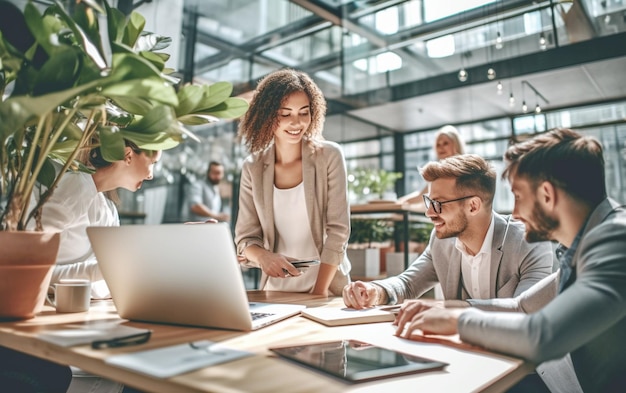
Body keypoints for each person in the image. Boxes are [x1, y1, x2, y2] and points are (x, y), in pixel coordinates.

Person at [396, 129, 626, 393]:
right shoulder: (589, 243)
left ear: (547, 195)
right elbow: (521, 308)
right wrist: (447, 311)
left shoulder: (615, 240)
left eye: (518, 196)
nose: (514, 212)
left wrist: (457, 322)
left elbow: (542, 335)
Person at [1, 139, 160, 393]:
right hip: (49, 337)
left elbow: (103, 280)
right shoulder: (73, 187)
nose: (152, 174)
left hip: (87, 325)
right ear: (128, 155)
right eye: (152, 163)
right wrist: (108, 268)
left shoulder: (106, 205)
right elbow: (25, 272)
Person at [343, 154, 554, 309]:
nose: (429, 212)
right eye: (429, 201)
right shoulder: (441, 241)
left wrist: (446, 311)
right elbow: (407, 285)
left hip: (528, 366)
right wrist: (375, 292)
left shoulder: (529, 243)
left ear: (473, 206)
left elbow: (524, 311)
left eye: (439, 203)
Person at [235, 68, 351, 296]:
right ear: (266, 115)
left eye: (304, 112)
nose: (296, 123)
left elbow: (338, 231)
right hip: (275, 291)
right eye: (284, 114)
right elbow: (245, 239)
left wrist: (319, 291)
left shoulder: (329, 156)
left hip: (327, 288)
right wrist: (263, 257)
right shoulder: (253, 167)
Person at [397, 125, 465, 205]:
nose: (441, 147)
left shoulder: (464, 168)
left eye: (445, 143)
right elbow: (422, 194)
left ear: (456, 144)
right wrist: (399, 201)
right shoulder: (438, 170)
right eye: (438, 145)